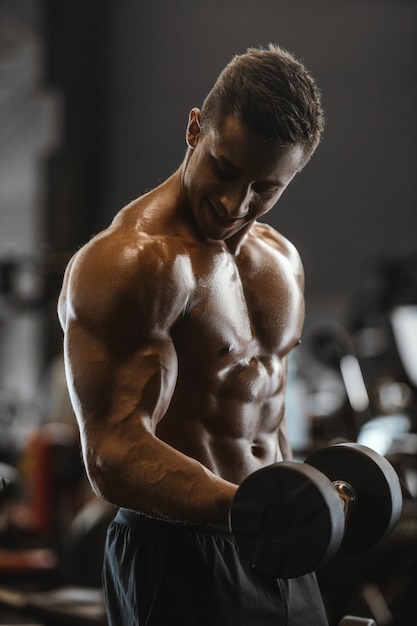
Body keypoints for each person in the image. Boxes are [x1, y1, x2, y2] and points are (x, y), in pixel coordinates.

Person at [58, 44, 327, 625]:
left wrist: (303, 508)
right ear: (195, 128)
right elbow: (113, 452)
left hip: (277, 543)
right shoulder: (133, 263)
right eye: (225, 169)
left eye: (266, 187)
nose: (236, 203)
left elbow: (265, 422)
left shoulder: (282, 261)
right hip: (177, 550)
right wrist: (254, 509)